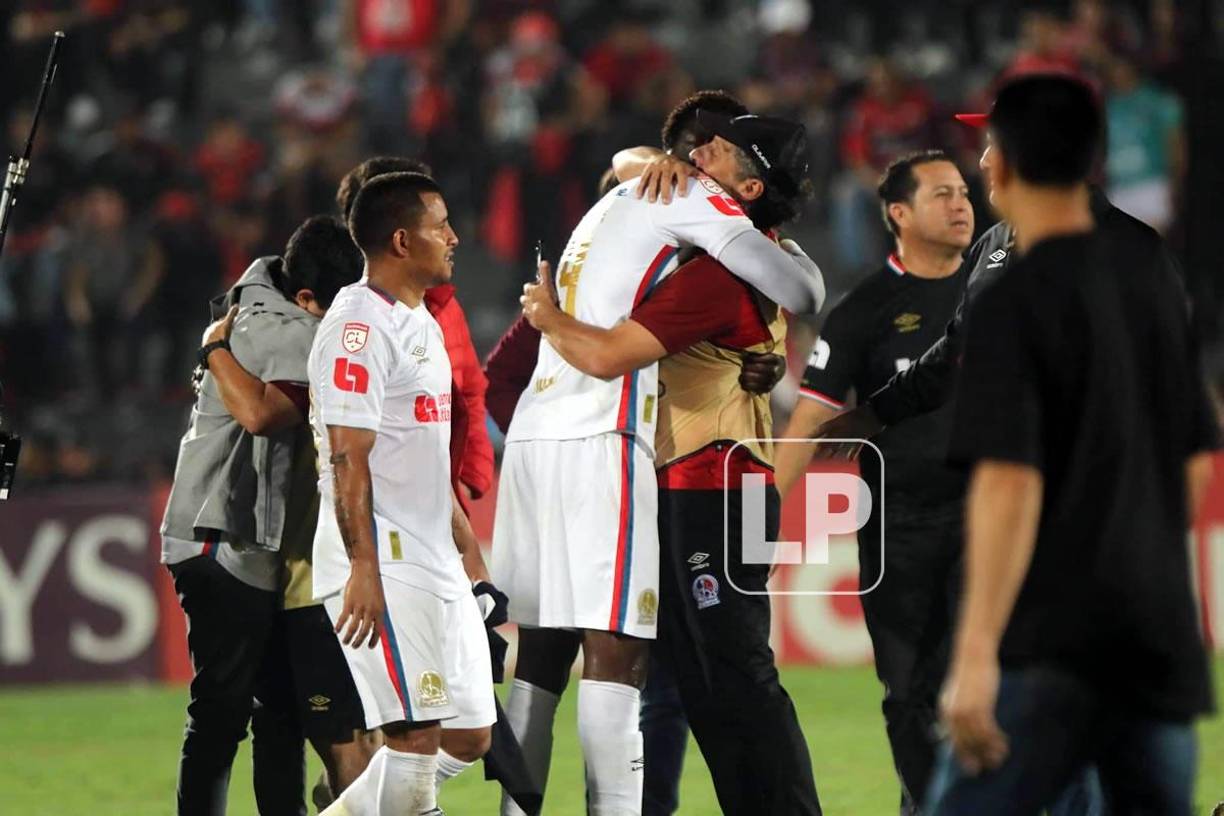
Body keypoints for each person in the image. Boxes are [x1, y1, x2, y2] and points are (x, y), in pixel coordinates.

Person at [491, 96, 823, 813]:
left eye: (715, 151)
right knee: (683, 679)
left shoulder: (708, 272)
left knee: (724, 672)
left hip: (714, 486)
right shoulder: (672, 247)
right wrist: (641, 162)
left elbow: (609, 353)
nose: (695, 161)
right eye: (690, 150)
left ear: (744, 188)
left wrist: (548, 319)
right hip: (670, 477)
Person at [926, 74, 1216, 814]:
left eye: (989, 145)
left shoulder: (1013, 297)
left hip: (1049, 634)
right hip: (1154, 639)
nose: (981, 161)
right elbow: (1192, 453)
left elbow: (1008, 482)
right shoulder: (1147, 266)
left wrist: (975, 651)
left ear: (1011, 163)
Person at [774, 150, 973, 814]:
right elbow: (809, 421)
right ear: (898, 213)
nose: (961, 204)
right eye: (942, 193)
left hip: (987, 522)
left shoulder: (998, 287)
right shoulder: (865, 310)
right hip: (897, 527)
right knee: (907, 695)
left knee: (993, 683)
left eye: (965, 191)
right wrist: (750, 528)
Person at [160, 216, 364, 815]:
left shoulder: (257, 303)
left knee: (280, 709)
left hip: (252, 542)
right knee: (224, 714)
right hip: (221, 539)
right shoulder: (286, 332)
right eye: (337, 306)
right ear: (307, 299)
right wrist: (214, 349)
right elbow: (260, 414)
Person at [310, 171, 496, 815]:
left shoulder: (419, 320)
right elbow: (345, 457)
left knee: (470, 734)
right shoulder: (357, 327)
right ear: (399, 240)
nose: (454, 237)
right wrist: (363, 567)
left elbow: (424, 457)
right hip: (385, 560)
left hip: (433, 557)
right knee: (412, 736)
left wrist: (470, 557)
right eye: (439, 225)